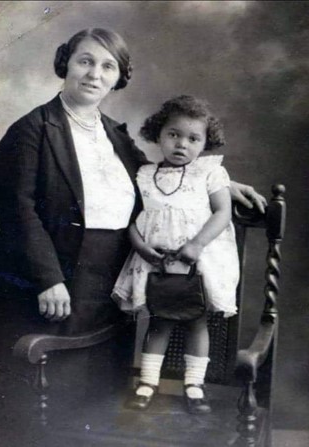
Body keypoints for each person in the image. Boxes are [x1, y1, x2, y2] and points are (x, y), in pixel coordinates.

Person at [0, 28, 266, 337]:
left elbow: (153, 177)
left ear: (118, 77)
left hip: (110, 286)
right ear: (66, 63)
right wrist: (48, 280)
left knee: (106, 381)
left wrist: (218, 184)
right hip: (54, 285)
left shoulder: (115, 134)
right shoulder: (32, 129)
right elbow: (17, 210)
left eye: (108, 66)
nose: (94, 74)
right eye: (85, 61)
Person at [111, 95, 240, 414]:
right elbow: (129, 218)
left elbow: (222, 212)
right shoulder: (143, 175)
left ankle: (194, 384)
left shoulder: (210, 172)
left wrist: (194, 247)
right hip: (155, 262)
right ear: (159, 133)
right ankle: (148, 382)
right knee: (159, 322)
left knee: (196, 320)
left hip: (196, 262)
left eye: (193, 138)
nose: (182, 144)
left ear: (205, 142)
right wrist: (143, 249)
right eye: (174, 135)